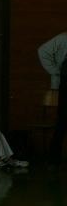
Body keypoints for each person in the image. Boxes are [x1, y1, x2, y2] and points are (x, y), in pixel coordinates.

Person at [38, 31, 67, 166]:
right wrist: (55, 71)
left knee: (62, 121)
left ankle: (53, 159)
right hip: (65, 82)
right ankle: (54, 159)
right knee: (62, 121)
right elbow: (42, 51)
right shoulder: (63, 39)